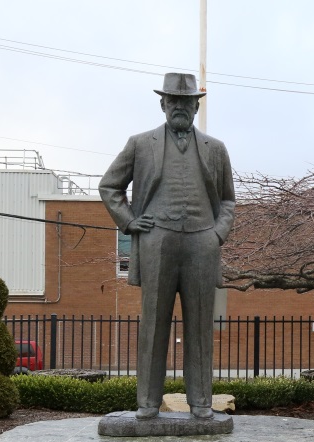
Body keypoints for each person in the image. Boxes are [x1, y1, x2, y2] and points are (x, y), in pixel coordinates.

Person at [99, 72, 235, 421]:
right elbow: (110, 186)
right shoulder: (140, 144)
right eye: (172, 100)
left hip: (202, 243)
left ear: (195, 105)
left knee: (201, 326)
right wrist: (129, 222)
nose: (179, 106)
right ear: (162, 104)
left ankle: (202, 403)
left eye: (186, 101)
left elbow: (227, 200)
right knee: (154, 324)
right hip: (157, 241)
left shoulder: (216, 149)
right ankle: (147, 403)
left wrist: (217, 233)